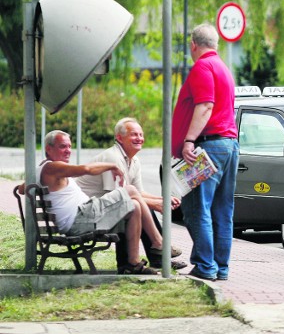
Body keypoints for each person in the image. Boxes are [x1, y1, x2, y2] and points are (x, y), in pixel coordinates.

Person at [37, 130, 159, 274]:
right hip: (79, 219)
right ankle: (158, 242)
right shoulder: (52, 167)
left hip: (83, 217)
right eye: (63, 146)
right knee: (130, 190)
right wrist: (112, 166)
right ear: (48, 149)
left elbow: (21, 189)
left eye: (70, 146)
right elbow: (86, 169)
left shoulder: (43, 168)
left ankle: (133, 263)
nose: (68, 150)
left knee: (134, 206)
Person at [171, 23, 240, 281]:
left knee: (196, 208)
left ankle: (205, 266)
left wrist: (189, 140)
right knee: (222, 210)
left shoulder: (202, 66)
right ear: (216, 45)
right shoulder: (223, 68)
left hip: (208, 145)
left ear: (193, 45)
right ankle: (221, 268)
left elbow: (205, 105)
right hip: (228, 144)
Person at [76, 117, 186, 270]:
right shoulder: (112, 157)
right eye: (134, 134)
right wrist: (155, 204)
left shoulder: (134, 160)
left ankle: (159, 257)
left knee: (142, 206)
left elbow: (138, 192)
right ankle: (158, 249)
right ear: (119, 138)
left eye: (141, 135)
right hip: (89, 214)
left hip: (105, 207)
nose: (139, 138)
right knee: (137, 207)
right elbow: (118, 197)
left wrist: (163, 199)